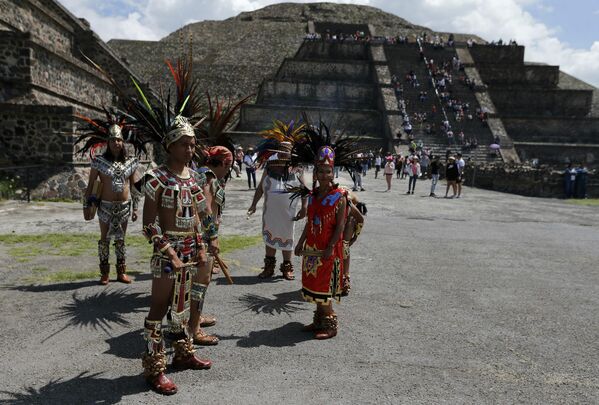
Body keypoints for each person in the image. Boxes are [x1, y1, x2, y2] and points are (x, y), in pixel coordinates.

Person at [79, 110, 141, 285]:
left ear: (123, 142)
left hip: (124, 207)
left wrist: (136, 208)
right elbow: (90, 185)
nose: (116, 142)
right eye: (113, 140)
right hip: (104, 206)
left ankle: (121, 272)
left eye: (119, 139)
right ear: (108, 142)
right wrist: (86, 206)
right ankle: (104, 273)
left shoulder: (131, 162)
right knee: (104, 238)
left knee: (121, 239)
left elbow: (135, 188)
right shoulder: (98, 161)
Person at [294, 146, 347, 339]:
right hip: (312, 249)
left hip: (327, 249)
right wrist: (300, 243)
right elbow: (309, 223)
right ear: (315, 173)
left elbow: (340, 226)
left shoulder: (339, 197)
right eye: (320, 171)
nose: (324, 175)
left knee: (325, 287)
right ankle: (318, 320)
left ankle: (331, 324)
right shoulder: (314, 196)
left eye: (328, 171)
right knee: (314, 285)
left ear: (333, 173)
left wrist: (331, 247)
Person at [248, 122, 308, 280]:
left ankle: (287, 267)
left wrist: (304, 207)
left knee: (287, 238)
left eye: (286, 151)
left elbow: (304, 190)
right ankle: (269, 268)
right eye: (281, 150)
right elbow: (261, 188)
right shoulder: (269, 167)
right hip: (271, 213)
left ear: (291, 153)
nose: (283, 153)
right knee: (270, 238)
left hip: (288, 214)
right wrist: (254, 204)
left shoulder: (297, 169)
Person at [340, 189, 364, 296]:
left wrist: (355, 237)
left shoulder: (348, 203)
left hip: (350, 217)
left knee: (344, 245)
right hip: (336, 218)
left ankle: (345, 277)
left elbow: (360, 219)